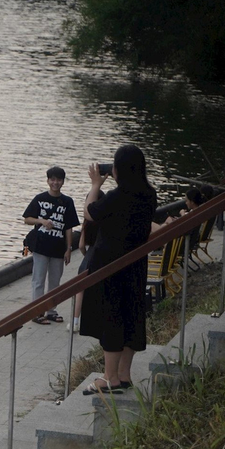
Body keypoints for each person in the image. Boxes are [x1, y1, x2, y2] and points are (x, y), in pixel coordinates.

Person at [79, 145, 158, 394]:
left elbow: (91, 214)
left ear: (118, 169)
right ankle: (124, 376)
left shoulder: (117, 195)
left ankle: (109, 378)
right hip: (135, 263)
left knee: (110, 316)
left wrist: (95, 185)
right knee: (130, 314)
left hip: (109, 264)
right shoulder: (149, 194)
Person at [22, 166, 79, 324]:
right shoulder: (40, 199)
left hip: (58, 248)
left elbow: (69, 227)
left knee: (55, 281)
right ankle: (37, 312)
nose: (55, 182)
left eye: (58, 179)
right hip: (41, 246)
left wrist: (68, 249)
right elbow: (27, 218)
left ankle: (51, 311)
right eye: (52, 179)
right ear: (48, 181)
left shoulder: (67, 202)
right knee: (38, 280)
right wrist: (41, 221)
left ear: (63, 182)